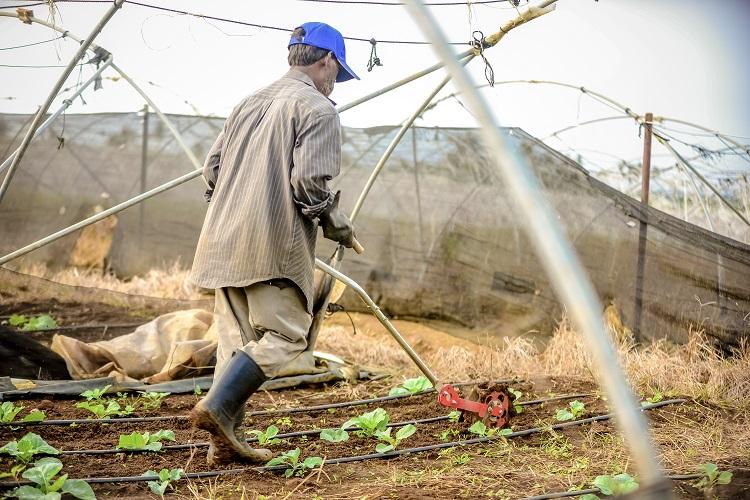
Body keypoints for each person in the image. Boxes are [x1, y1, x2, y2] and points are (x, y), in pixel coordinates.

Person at [189, 22, 359, 465]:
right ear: (327, 61)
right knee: (287, 335)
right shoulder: (318, 109)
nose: (332, 84)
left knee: (235, 343)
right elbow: (307, 183)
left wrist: (233, 209)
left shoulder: (248, 102)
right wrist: (332, 219)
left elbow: (212, 171)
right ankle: (220, 409)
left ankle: (221, 443)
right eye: (335, 75)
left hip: (221, 242)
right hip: (271, 246)